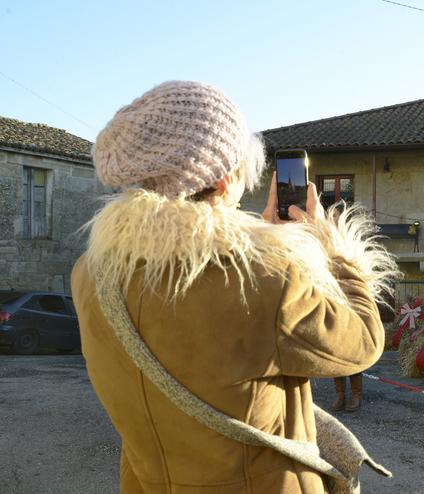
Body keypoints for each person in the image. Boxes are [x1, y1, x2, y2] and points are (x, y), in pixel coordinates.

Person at [71, 80, 398, 493]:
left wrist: (265, 240)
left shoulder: (90, 273)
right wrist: (328, 249)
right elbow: (363, 343)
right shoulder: (263, 278)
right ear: (225, 180)